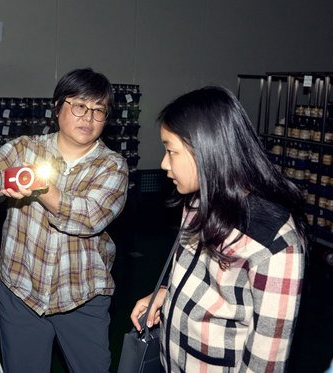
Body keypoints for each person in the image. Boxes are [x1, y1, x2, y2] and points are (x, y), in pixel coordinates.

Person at [130, 86, 306, 372]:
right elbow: (195, 274)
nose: (163, 163)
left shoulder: (274, 242)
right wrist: (166, 292)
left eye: (171, 151)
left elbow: (266, 361)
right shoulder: (198, 201)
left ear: (206, 150)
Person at [0, 68, 129, 373]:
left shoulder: (113, 166)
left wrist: (44, 191)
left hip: (80, 296)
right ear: (57, 108)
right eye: (79, 106)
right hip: (21, 291)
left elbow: (90, 216)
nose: (88, 118)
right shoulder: (27, 147)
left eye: (98, 110)